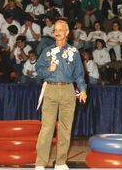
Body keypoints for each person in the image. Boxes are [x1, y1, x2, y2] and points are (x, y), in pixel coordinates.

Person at [35, 20, 87, 170]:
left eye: (60, 30)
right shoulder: (47, 51)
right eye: (55, 30)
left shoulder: (74, 52)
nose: (57, 32)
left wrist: (82, 90)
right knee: (47, 128)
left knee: (65, 129)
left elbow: (79, 75)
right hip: (50, 90)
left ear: (67, 32)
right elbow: (38, 70)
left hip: (68, 91)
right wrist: (48, 70)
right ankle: (40, 163)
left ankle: (60, 162)